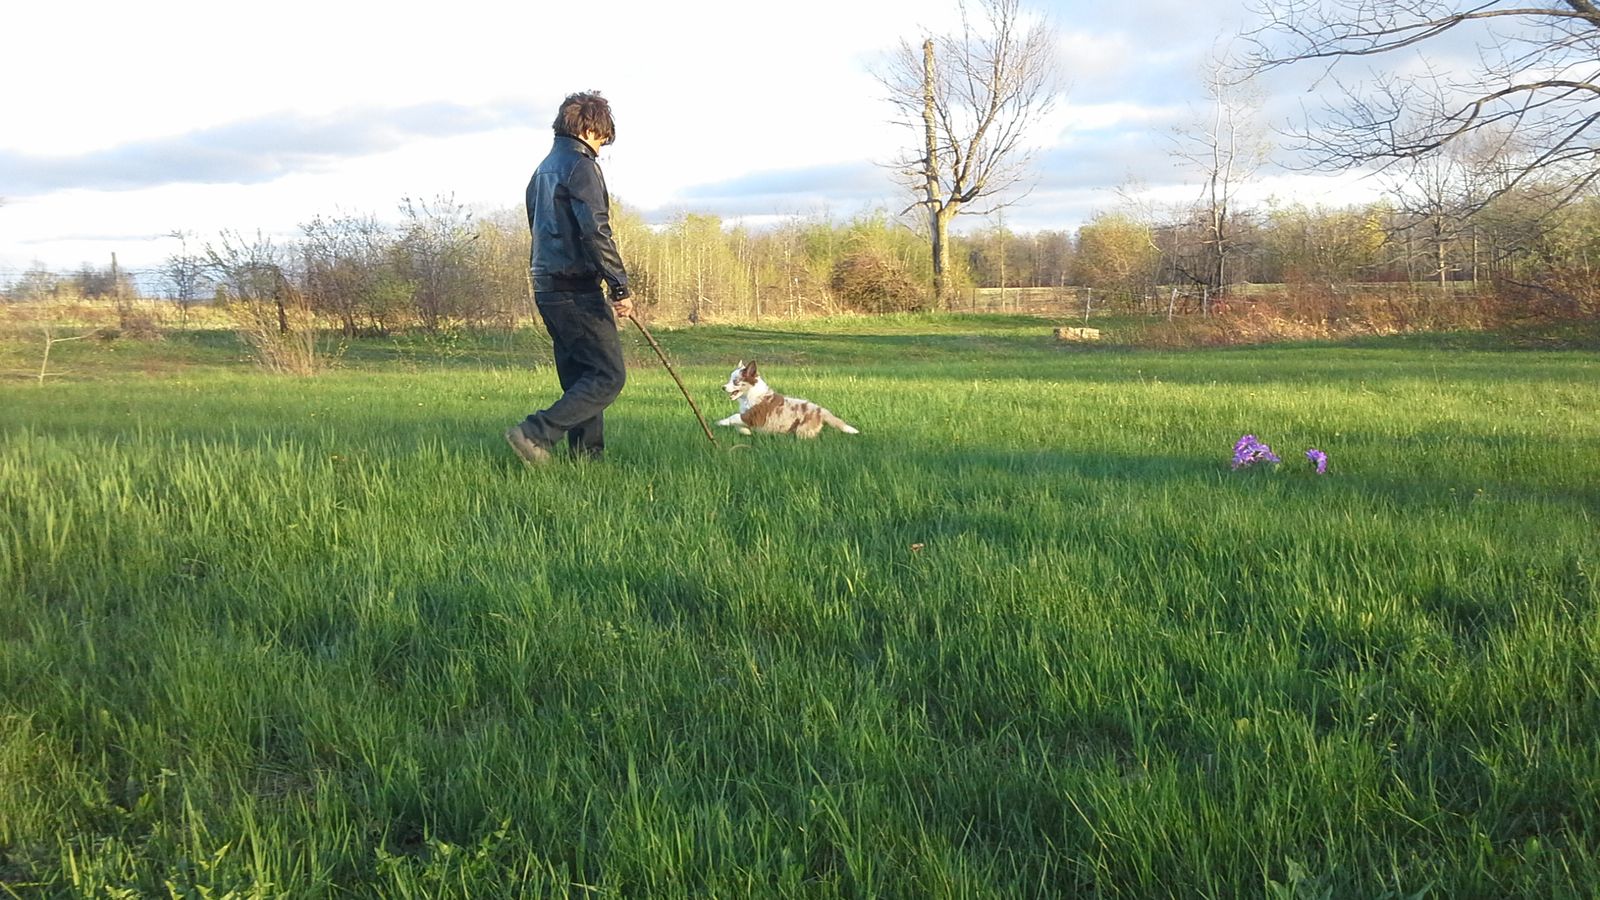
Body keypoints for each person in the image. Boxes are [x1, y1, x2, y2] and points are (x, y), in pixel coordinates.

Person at [506, 91, 634, 465]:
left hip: (547, 287)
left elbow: (538, 228)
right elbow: (595, 230)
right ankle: (535, 432)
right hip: (576, 289)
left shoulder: (541, 171)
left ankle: (587, 460)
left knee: (582, 377)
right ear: (589, 129)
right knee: (608, 376)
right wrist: (619, 286)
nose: (600, 149)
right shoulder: (581, 166)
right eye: (601, 140)